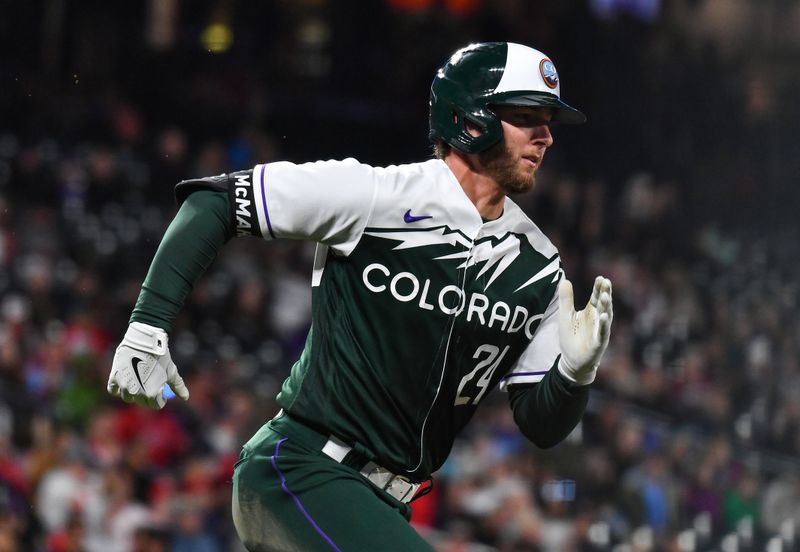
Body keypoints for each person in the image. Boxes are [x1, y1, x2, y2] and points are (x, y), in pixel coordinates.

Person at [106, 42, 614, 551]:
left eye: (548, 120)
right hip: (302, 470)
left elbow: (541, 425)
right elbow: (215, 202)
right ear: (472, 119)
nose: (546, 136)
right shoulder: (375, 196)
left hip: (383, 505)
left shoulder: (539, 266)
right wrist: (149, 324)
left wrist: (575, 374)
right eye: (528, 116)